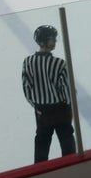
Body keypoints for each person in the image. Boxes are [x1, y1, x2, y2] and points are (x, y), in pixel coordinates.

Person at [22, 25, 76, 163]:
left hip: (41, 111)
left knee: (42, 141)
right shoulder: (59, 64)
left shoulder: (28, 62)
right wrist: (69, 108)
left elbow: (27, 89)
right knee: (67, 140)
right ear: (46, 41)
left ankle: (40, 172)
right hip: (60, 110)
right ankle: (71, 167)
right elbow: (65, 89)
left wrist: (38, 105)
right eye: (53, 39)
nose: (55, 41)